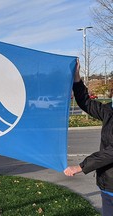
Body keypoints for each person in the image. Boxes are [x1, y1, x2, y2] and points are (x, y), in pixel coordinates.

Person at [64, 59, 113, 216]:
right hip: (108, 185)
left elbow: (110, 152)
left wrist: (80, 167)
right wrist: (77, 78)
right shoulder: (109, 111)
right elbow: (86, 103)